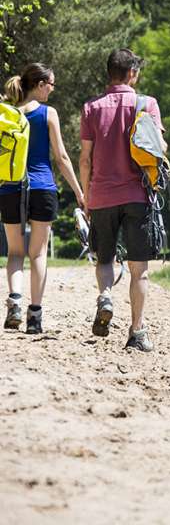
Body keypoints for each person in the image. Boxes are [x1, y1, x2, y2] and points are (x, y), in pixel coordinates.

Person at [79, 48, 164, 352]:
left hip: (102, 195)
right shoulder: (147, 104)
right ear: (131, 73)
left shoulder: (91, 107)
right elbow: (159, 148)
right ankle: (137, 331)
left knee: (104, 259)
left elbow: (85, 159)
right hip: (138, 196)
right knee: (139, 268)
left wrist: (87, 198)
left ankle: (105, 296)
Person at [1, 64, 85, 334]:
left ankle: (14, 300)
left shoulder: (7, 115)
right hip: (43, 187)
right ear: (38, 84)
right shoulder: (48, 114)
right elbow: (61, 158)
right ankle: (34, 316)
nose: (52, 89)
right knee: (37, 253)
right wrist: (79, 192)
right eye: (51, 84)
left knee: (15, 252)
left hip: (10, 187)